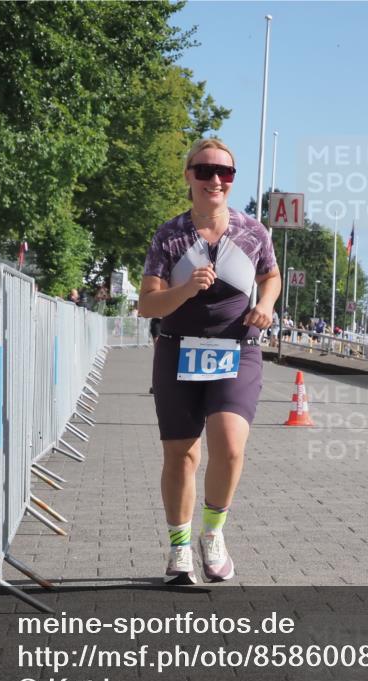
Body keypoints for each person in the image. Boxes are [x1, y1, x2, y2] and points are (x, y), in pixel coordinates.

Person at [139, 138, 280, 584]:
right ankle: (179, 550)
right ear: (189, 177)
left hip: (238, 348)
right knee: (181, 455)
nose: (215, 180)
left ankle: (213, 535)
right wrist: (185, 289)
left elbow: (271, 276)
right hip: (178, 348)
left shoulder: (253, 231)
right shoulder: (169, 235)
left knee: (230, 444)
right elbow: (147, 306)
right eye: (204, 171)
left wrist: (268, 304)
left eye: (225, 173)